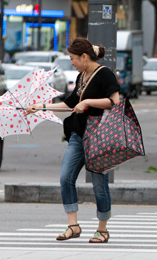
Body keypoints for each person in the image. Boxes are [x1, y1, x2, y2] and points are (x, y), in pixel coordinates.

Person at [26, 37, 120, 243]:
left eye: (73, 58)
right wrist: (40, 107)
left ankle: (102, 229)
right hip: (78, 135)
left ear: (84, 57)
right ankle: (73, 226)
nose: (72, 62)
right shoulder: (82, 77)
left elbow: (114, 102)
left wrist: (87, 102)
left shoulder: (104, 74)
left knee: (99, 184)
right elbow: (69, 103)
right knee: (65, 178)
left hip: (99, 137)